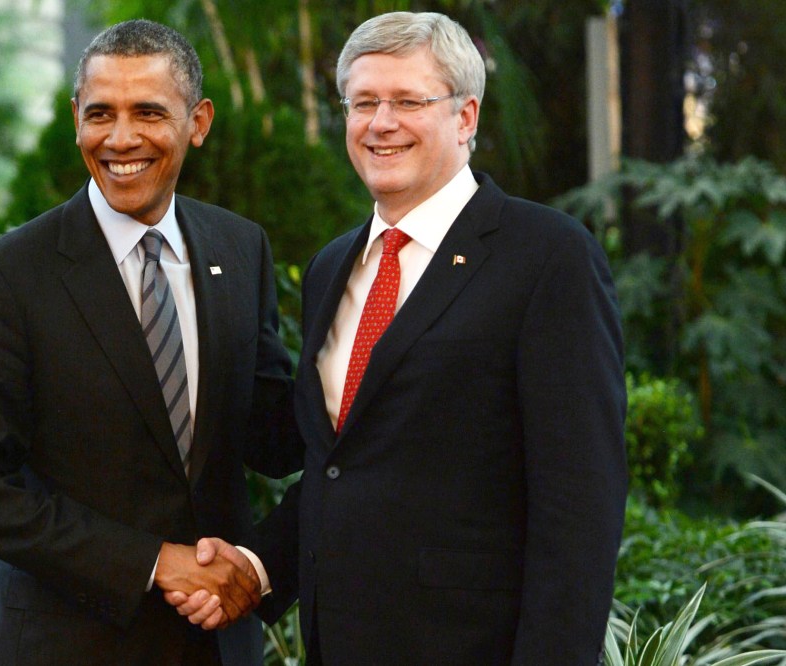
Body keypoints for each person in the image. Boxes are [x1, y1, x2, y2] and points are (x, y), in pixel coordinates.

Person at [169, 11, 628, 664]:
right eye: (363, 103)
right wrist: (257, 566)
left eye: (408, 101)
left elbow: (580, 508)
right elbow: (345, 467)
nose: (381, 123)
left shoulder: (548, 257)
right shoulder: (334, 266)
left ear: (466, 116)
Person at [0, 19, 299, 665]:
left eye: (149, 113)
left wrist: (373, 357)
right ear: (76, 118)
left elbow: (270, 435)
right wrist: (156, 563)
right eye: (100, 113)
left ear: (199, 121)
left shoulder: (240, 248)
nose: (121, 138)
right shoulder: (4, 279)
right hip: (66, 644)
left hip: (218, 643)